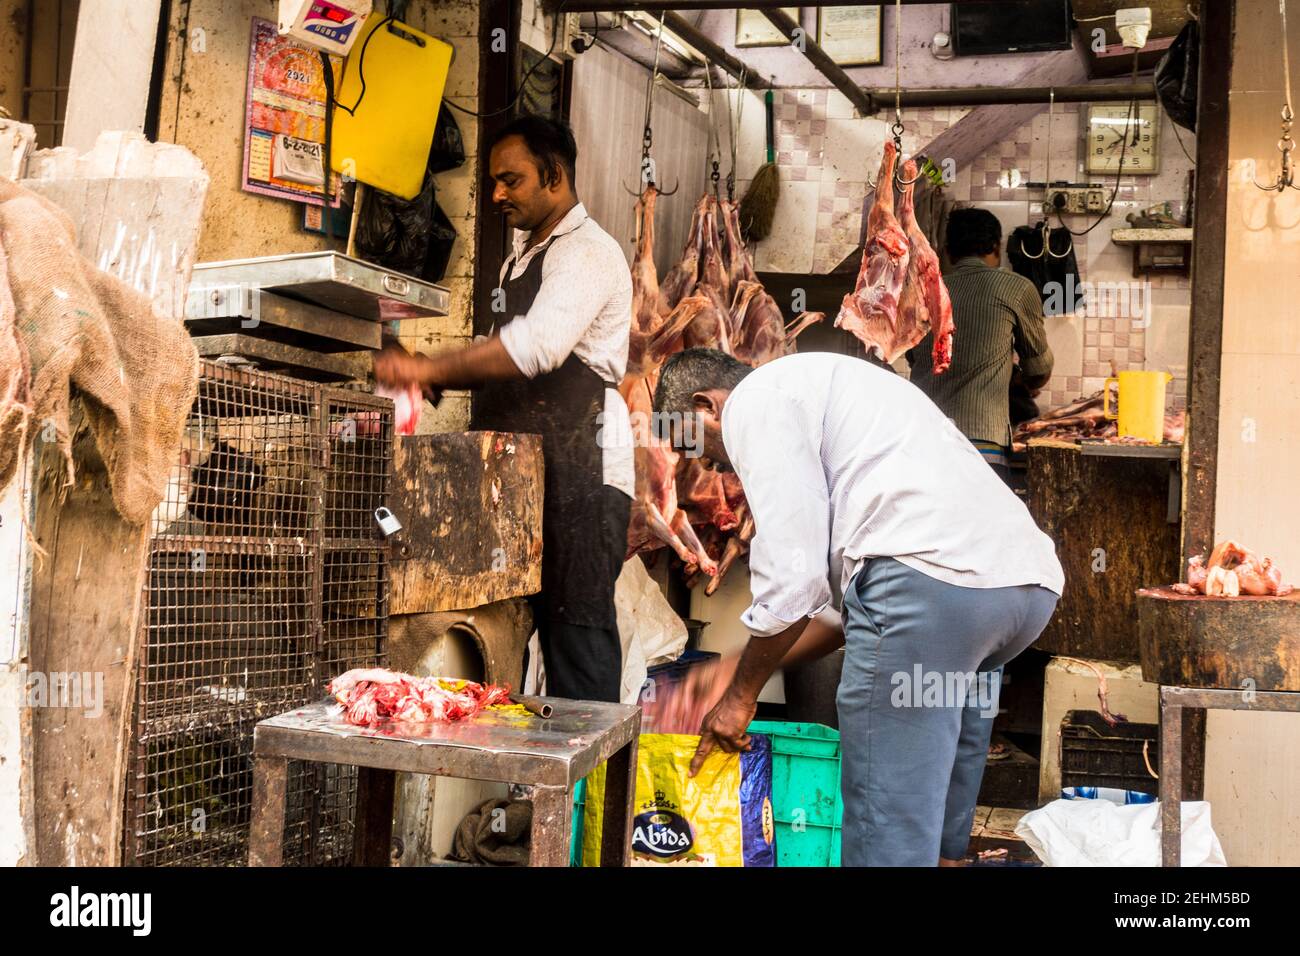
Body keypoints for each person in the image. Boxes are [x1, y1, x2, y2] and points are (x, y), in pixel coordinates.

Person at [652, 348, 1064, 867]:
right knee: (937, 798)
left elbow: (793, 584)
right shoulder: (831, 393)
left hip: (930, 587)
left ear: (707, 405)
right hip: (1018, 592)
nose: (716, 465)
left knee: (884, 818)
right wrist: (733, 672)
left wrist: (738, 699)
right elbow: (838, 615)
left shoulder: (755, 401)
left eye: (708, 451)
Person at [373, 114, 634, 703]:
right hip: (518, 482)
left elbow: (535, 347)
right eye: (493, 181)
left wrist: (431, 366)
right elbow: (508, 360)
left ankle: (590, 795)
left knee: (578, 645)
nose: (495, 194)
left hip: (581, 482)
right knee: (501, 638)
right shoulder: (520, 255)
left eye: (510, 180)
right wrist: (432, 381)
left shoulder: (589, 253)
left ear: (555, 176)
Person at [907, 208, 1054, 484]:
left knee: (928, 525)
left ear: (948, 252)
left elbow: (915, 359)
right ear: (996, 248)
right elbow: (1038, 369)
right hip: (981, 444)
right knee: (979, 526)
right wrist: (1017, 379)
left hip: (921, 441)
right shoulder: (1017, 289)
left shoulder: (922, 293)